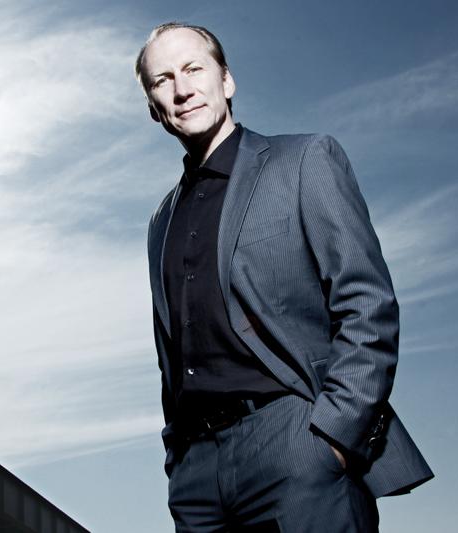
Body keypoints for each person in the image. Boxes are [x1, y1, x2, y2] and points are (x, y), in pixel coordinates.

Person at [136, 22, 433, 532]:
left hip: (296, 442)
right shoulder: (160, 220)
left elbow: (367, 303)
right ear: (152, 106)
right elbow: (172, 355)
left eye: (193, 69)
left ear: (226, 80)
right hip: (196, 476)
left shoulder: (304, 160)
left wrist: (334, 436)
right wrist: (177, 460)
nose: (182, 89)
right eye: (163, 80)